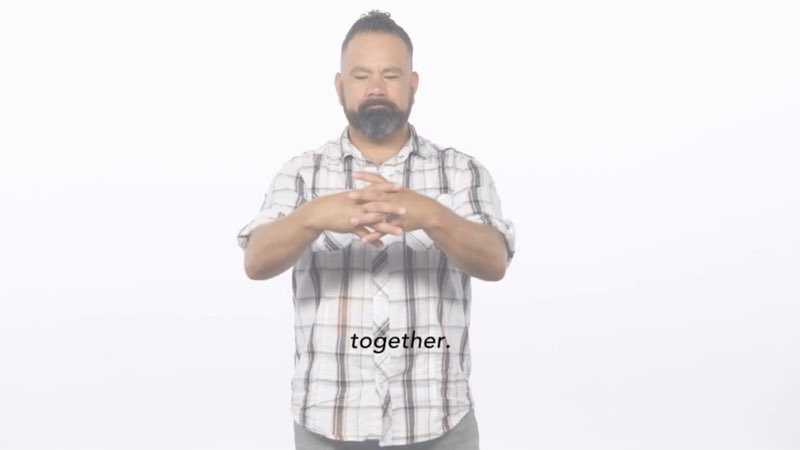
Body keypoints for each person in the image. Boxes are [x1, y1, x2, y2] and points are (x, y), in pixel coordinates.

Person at [237, 10, 515, 450]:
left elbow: (495, 261)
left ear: (413, 84)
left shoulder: (461, 172)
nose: (376, 88)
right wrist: (313, 216)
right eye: (361, 74)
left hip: (439, 422)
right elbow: (254, 261)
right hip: (327, 425)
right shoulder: (301, 175)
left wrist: (432, 216)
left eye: (391, 74)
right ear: (339, 86)